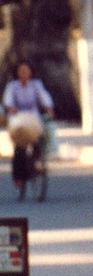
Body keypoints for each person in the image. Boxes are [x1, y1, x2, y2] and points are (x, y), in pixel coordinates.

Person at [2, 61, 54, 192]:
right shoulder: (12, 86)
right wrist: (11, 108)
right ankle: (19, 177)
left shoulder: (36, 85)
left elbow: (44, 97)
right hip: (18, 119)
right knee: (19, 148)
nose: (24, 73)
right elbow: (8, 101)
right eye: (21, 71)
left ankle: (36, 162)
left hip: (32, 117)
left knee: (39, 140)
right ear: (17, 73)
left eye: (26, 71)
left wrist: (49, 108)